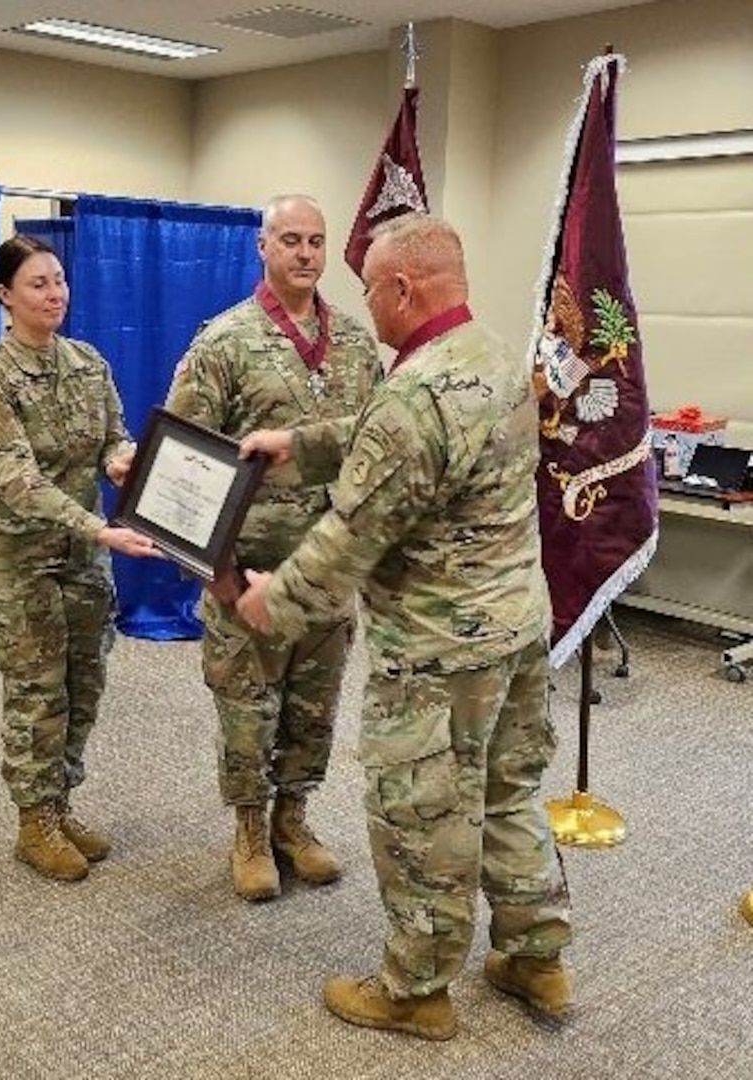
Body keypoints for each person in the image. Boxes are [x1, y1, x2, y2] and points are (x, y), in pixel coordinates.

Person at [235, 214, 573, 1040]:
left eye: (370, 290)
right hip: (517, 631)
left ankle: (415, 989)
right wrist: (299, 444)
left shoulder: (413, 394)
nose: (366, 306)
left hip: (436, 655)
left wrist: (266, 601)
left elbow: (347, 540)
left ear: (401, 288)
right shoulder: (492, 359)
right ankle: (536, 956)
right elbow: (398, 435)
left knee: (420, 816)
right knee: (507, 794)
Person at [163, 194, 382, 901]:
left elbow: (378, 450)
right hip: (248, 570)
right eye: (289, 239)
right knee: (247, 708)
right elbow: (181, 468)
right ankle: (250, 830)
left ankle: (294, 819)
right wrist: (217, 573)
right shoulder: (223, 342)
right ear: (261, 246)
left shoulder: (354, 344)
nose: (305, 254)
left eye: (315, 241)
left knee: (312, 708)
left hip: (326, 572)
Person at [0, 234, 158, 883]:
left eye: (59, 281)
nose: (55, 294)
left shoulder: (87, 362)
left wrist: (121, 461)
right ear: (4, 296)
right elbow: (15, 475)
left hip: (79, 557)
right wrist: (97, 528)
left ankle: (59, 800)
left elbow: (112, 437)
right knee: (37, 690)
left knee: (83, 685)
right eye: (38, 284)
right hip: (13, 560)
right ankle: (33, 821)